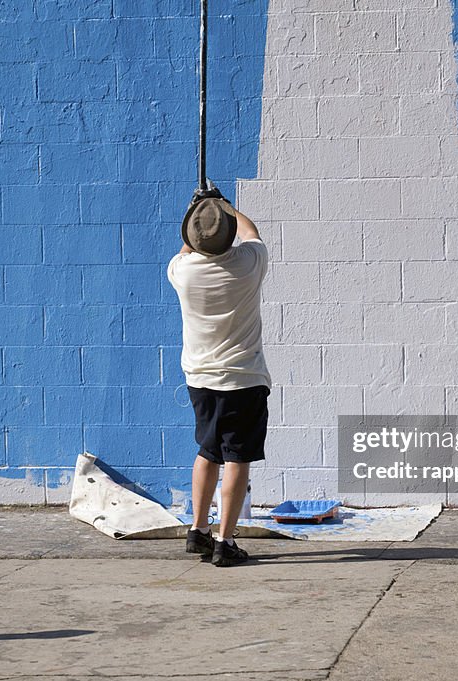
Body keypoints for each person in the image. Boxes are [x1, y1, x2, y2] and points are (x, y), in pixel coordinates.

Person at [167, 184, 270, 567]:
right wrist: (222, 205)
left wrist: (198, 210)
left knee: (207, 452)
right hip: (243, 379)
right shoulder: (249, 264)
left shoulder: (182, 272)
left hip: (199, 380)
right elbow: (251, 233)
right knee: (237, 458)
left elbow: (188, 246)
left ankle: (198, 531)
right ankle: (226, 541)